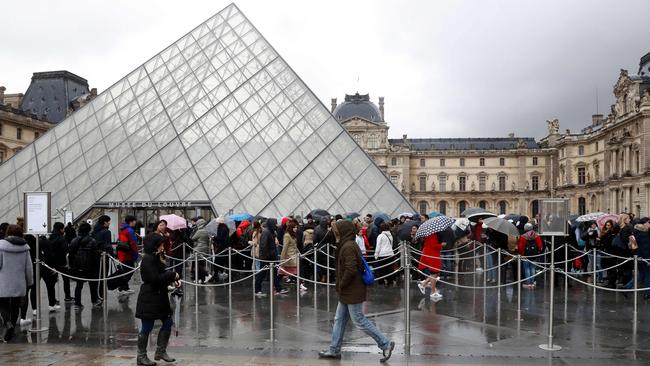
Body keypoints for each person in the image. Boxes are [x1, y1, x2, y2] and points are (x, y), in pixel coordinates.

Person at [318, 220, 394, 362]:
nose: (335, 233)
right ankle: (334, 349)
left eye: (337, 230)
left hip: (352, 289)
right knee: (339, 319)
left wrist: (341, 284)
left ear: (343, 232)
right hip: (349, 290)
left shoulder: (348, 246)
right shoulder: (347, 244)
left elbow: (351, 269)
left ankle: (385, 343)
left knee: (359, 320)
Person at [135, 234, 180, 366]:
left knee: (167, 322)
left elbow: (161, 275)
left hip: (160, 296)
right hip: (150, 297)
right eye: (160, 244)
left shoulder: (156, 257)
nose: (162, 246)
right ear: (154, 245)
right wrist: (172, 275)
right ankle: (141, 356)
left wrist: (173, 278)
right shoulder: (148, 259)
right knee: (147, 327)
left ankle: (161, 351)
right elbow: (154, 279)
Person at [0, 225, 34, 342]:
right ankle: (12, 328)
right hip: (19, 283)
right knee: (15, 306)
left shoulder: (1, 246)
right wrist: (30, 282)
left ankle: (7, 323)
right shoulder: (25, 247)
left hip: (3, 282)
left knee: (2, 304)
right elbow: (28, 268)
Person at [69, 223, 103, 309]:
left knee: (79, 285)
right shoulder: (92, 241)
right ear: (89, 230)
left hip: (78, 266)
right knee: (93, 284)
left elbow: (71, 254)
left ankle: (77, 304)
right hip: (90, 266)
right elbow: (95, 255)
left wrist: (72, 266)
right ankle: (94, 301)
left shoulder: (74, 240)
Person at [254, 218, 288, 297]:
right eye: (275, 223)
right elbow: (263, 246)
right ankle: (257, 290)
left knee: (274, 273)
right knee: (262, 274)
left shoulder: (271, 232)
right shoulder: (266, 232)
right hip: (266, 258)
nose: (276, 225)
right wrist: (265, 257)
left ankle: (278, 288)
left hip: (271, 257)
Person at [49, 222, 72, 303]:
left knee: (52, 282)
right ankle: (67, 296)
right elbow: (66, 249)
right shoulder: (62, 238)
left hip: (52, 263)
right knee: (66, 280)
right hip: (62, 262)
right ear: (61, 229)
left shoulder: (50, 237)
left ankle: (53, 299)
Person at [417, 232, 444, 300]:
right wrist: (441, 245)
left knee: (435, 273)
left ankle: (424, 284)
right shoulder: (433, 234)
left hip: (431, 254)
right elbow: (434, 245)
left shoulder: (430, 234)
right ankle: (432, 292)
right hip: (432, 255)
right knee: (434, 273)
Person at [281, 221, 306, 291]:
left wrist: (300, 254)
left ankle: (300, 284)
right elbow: (284, 248)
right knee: (282, 272)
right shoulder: (287, 236)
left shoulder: (292, 235)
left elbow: (295, 247)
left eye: (296, 227)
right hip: (290, 257)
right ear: (291, 228)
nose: (296, 228)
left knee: (295, 271)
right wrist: (282, 259)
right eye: (294, 227)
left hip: (294, 256)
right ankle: (276, 285)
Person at [117, 216, 139, 295]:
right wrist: (136, 255)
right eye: (134, 221)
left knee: (126, 271)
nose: (135, 223)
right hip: (128, 254)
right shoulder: (130, 230)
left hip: (123, 253)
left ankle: (125, 287)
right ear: (131, 222)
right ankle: (121, 288)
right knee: (129, 271)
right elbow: (133, 244)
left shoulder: (123, 229)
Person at [518, 223, 543, 289]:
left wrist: (521, 253)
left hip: (525, 254)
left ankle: (528, 283)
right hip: (534, 254)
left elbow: (520, 247)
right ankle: (532, 282)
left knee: (527, 268)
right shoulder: (536, 235)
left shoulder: (523, 236)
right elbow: (540, 246)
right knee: (533, 268)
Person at [190, 218, 210, 284]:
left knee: (197, 265)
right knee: (201, 264)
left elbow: (193, 238)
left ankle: (206, 275)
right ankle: (202, 279)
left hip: (199, 248)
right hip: (205, 248)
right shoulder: (206, 230)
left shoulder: (199, 231)